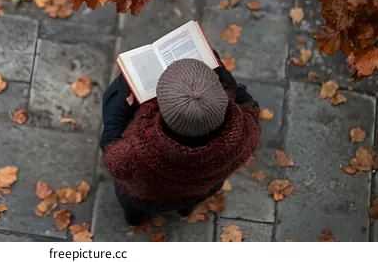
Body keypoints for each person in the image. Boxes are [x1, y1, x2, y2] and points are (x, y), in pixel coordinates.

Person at [100, 53, 261, 226]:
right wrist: (227, 79)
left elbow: (112, 157)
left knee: (133, 208)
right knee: (188, 202)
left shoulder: (134, 153)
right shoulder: (246, 130)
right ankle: (185, 212)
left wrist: (121, 110)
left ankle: (135, 221)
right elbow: (249, 105)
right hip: (201, 190)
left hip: (148, 198)